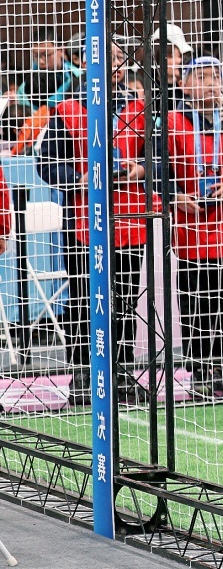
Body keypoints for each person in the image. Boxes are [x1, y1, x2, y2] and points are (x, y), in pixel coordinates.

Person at [39, 39, 150, 407]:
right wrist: (80, 178)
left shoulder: (138, 108)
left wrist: (142, 168)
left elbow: (163, 158)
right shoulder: (66, 109)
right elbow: (47, 164)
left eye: (118, 57)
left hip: (129, 222)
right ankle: (84, 374)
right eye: (105, 57)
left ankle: (122, 372)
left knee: (125, 301)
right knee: (84, 300)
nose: (114, 64)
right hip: (84, 223)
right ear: (84, 62)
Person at [166, 55, 223, 397]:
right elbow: (156, 167)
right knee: (196, 303)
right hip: (192, 231)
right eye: (200, 77)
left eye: (213, 77)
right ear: (183, 85)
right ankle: (199, 370)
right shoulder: (172, 122)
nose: (208, 84)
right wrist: (174, 195)